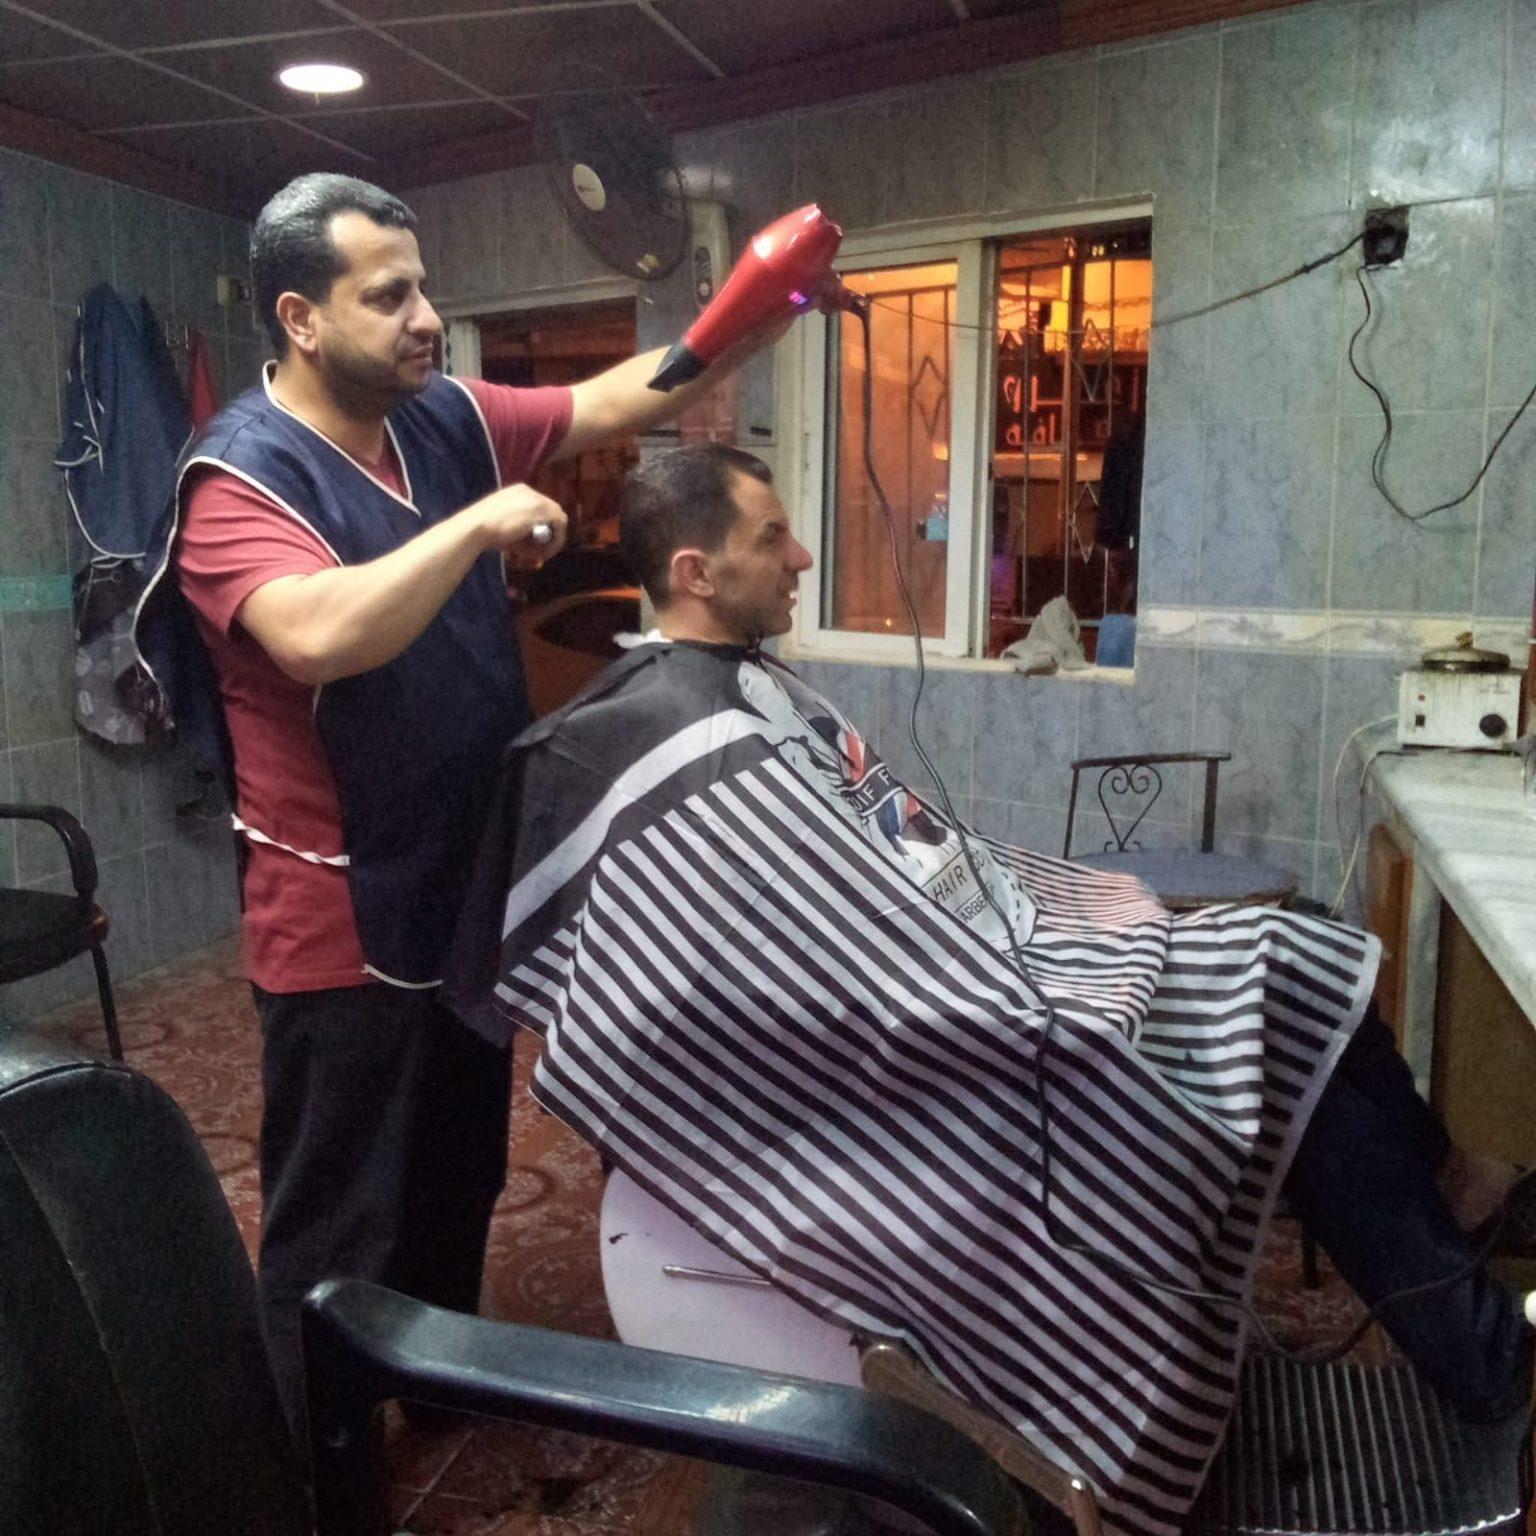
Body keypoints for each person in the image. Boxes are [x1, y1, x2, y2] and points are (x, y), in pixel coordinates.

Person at [447, 443, 1534, 1536]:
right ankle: (1494, 1361)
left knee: (1299, 955)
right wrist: (1015, 987)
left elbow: (900, 867)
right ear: (695, 570)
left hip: (992, 968)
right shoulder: (665, 734)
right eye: (773, 538)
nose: (804, 558)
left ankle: (1456, 1203)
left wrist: (1050, 926)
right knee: (1275, 1021)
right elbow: (799, 961)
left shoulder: (750, 689)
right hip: (953, 1049)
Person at [170, 174, 788, 1434]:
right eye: (388, 295)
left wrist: (757, 304)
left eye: (424, 288)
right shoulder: (237, 478)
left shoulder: (441, 415)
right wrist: (473, 530)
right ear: (299, 317)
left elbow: (626, 394)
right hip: (339, 921)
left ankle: (436, 1390)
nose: (425, 318)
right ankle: (315, 1461)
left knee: (459, 1176)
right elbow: (316, 635)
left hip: (463, 883)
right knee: (337, 1215)